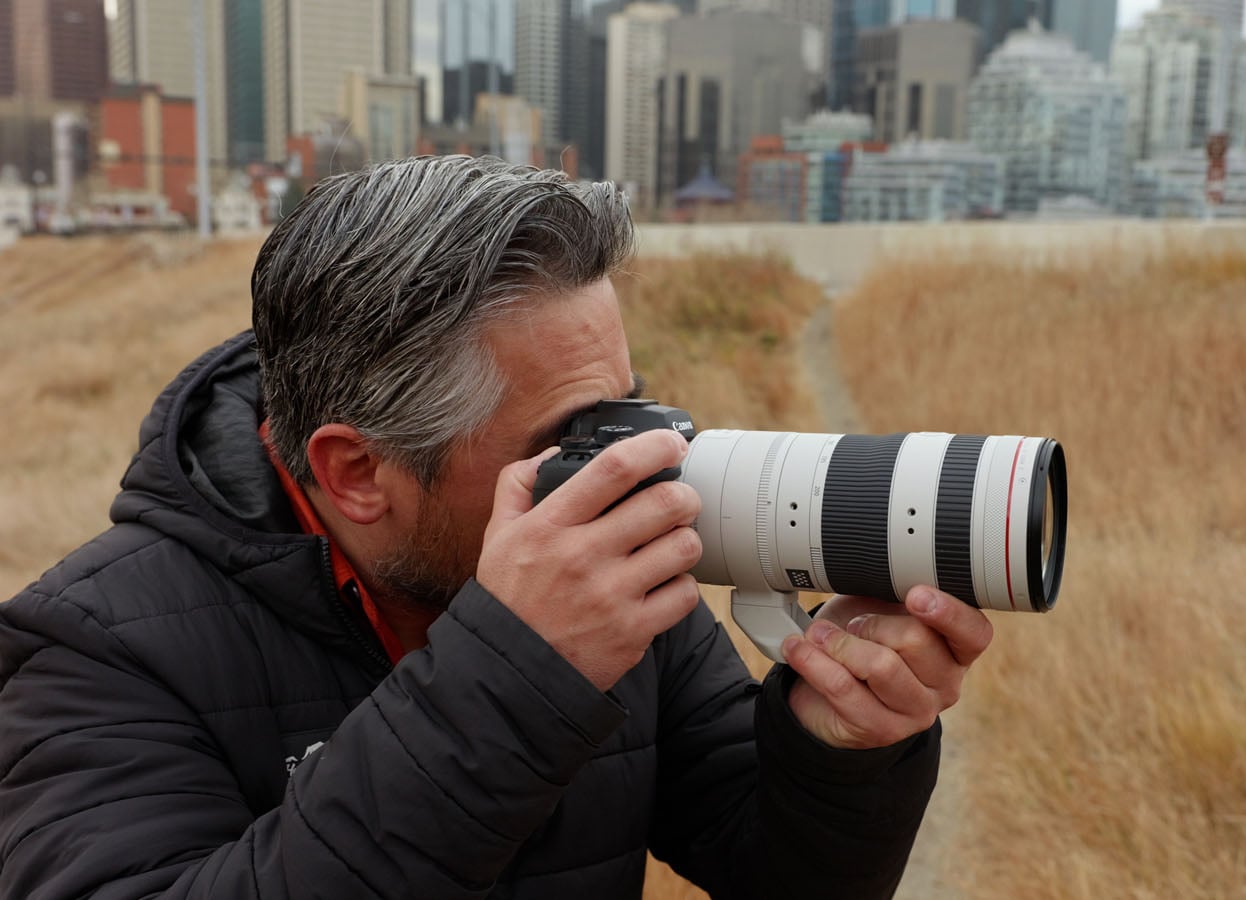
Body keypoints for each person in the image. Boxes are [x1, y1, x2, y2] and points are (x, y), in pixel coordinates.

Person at [0, 157, 994, 899]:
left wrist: (838, 747)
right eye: (578, 437)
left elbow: (780, 871)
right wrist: (515, 673)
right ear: (358, 473)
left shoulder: (622, 593)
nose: (633, 462)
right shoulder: (90, 653)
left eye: (631, 408)